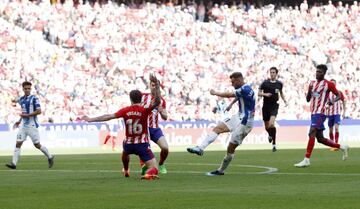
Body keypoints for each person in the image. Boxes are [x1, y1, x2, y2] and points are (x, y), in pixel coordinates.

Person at [81, 74, 161, 180]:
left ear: (130, 99)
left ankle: (126, 169)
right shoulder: (144, 110)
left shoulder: (125, 111)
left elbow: (108, 116)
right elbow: (158, 101)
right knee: (154, 167)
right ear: (141, 99)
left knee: (125, 152)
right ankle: (148, 174)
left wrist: (91, 119)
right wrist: (158, 86)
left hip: (129, 144)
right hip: (142, 144)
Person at [187, 72, 255, 176]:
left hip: (245, 123)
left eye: (233, 82)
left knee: (230, 149)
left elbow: (229, 95)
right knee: (218, 128)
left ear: (239, 80)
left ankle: (221, 170)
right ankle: (200, 148)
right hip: (239, 116)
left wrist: (215, 93)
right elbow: (238, 96)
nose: (232, 84)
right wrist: (231, 104)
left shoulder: (245, 89)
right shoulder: (247, 88)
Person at [294, 65, 349, 168]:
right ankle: (342, 147)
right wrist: (309, 91)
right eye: (316, 71)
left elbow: (338, 95)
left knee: (312, 132)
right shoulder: (312, 83)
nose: (317, 73)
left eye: (319, 72)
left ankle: (306, 159)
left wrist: (332, 101)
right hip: (313, 113)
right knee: (320, 139)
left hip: (321, 113)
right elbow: (307, 99)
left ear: (323, 73)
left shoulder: (329, 84)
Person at [5, 81, 54, 169]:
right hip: (23, 126)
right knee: (18, 143)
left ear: (30, 89)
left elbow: (39, 111)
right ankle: (14, 164)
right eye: (25, 88)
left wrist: (27, 116)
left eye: (29, 88)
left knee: (37, 145)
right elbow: (24, 111)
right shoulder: (21, 99)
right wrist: (19, 121)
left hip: (32, 125)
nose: (27, 90)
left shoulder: (34, 98)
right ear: (23, 89)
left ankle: (50, 157)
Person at [140, 79, 169, 175]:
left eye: (156, 85)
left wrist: (161, 111)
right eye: (152, 85)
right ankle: (145, 166)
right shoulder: (143, 97)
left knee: (165, 148)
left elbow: (165, 117)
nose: (154, 87)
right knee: (145, 147)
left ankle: (161, 164)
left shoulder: (161, 100)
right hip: (143, 128)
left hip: (155, 128)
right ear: (149, 86)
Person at [258, 67, 288, 152]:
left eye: (273, 72)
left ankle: (274, 144)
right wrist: (265, 94)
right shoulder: (265, 83)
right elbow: (259, 93)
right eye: (271, 72)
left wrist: (285, 101)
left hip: (274, 106)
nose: (272, 74)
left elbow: (281, 93)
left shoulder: (279, 84)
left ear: (276, 73)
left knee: (271, 124)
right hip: (266, 106)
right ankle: (270, 135)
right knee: (267, 126)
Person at [326, 79, 346, 151]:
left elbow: (344, 101)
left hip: (337, 113)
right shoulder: (327, 93)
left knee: (336, 128)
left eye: (334, 83)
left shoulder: (339, 93)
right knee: (330, 131)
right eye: (331, 83)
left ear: (336, 84)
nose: (333, 85)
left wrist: (344, 112)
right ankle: (332, 144)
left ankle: (336, 145)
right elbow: (322, 99)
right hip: (329, 114)